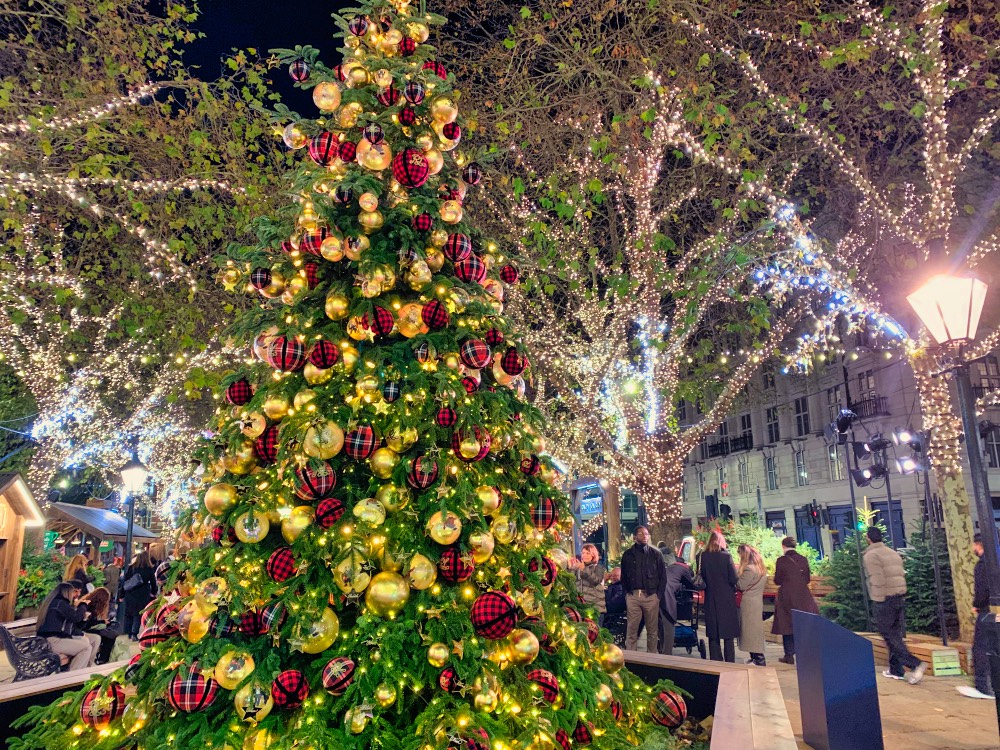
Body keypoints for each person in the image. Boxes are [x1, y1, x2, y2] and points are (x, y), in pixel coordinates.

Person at [861, 526, 925, 683]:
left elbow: (877, 580)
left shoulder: (871, 555)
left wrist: (878, 599)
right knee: (895, 634)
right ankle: (896, 669)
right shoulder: (892, 552)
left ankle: (915, 663)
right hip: (898, 597)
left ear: (868, 538)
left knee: (888, 635)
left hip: (884, 599)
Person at [772, 536, 819, 665]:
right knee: (803, 623)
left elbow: (777, 580)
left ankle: (789, 655)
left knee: (786, 624)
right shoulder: (803, 559)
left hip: (786, 596)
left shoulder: (781, 560)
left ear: (783, 546)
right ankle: (804, 654)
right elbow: (807, 579)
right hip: (803, 595)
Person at [958, 534, 994, 699]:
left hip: (987, 610)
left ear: (978, 545)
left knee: (980, 647)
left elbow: (982, 589)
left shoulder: (982, 565)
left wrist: (976, 605)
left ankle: (983, 686)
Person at [621, 526, 666, 652]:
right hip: (633, 595)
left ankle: (651, 659)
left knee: (652, 631)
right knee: (632, 630)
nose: (645, 536)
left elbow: (663, 577)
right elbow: (623, 577)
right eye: (641, 534)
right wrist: (627, 595)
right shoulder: (628, 555)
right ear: (635, 537)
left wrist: (658, 596)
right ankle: (632, 659)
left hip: (651, 596)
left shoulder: (655, 554)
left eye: (647, 534)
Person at [35, 582, 98, 670]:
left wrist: (83, 618)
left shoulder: (54, 602)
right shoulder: (60, 603)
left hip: (49, 639)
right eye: (73, 592)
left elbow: (75, 622)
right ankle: (71, 677)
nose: (74, 595)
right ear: (67, 592)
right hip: (52, 641)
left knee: (89, 641)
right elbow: (76, 617)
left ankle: (81, 672)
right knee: (86, 648)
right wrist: (83, 605)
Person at [700, 529, 739, 662]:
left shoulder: (703, 556)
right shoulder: (726, 556)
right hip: (726, 599)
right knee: (728, 634)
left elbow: (702, 576)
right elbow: (733, 578)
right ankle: (730, 661)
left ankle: (716, 661)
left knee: (713, 634)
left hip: (711, 597)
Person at [658, 549, 694, 654]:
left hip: (654, 595)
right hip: (667, 596)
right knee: (669, 624)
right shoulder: (682, 568)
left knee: (659, 624)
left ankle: (660, 650)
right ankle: (667, 654)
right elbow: (690, 584)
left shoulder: (665, 568)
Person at [737, 544, 768, 666]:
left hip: (748, 604)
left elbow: (741, 585)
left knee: (750, 632)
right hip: (756, 603)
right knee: (754, 631)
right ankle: (755, 658)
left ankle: (758, 659)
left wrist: (736, 576)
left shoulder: (749, 569)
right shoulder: (760, 568)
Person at [121, 549, 157, 640]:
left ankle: (127, 632)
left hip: (130, 594)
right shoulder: (149, 569)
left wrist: (121, 595)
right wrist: (153, 593)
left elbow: (125, 582)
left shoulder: (131, 567)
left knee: (128, 613)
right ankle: (134, 634)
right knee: (138, 614)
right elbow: (153, 583)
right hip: (143, 595)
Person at [79, 586, 121, 664]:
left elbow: (91, 622)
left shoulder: (90, 604)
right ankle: (102, 659)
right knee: (110, 636)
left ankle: (102, 658)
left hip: (87, 628)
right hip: (84, 630)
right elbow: (87, 624)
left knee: (110, 634)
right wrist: (101, 622)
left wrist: (102, 622)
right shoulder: (88, 607)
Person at [570, 544, 607, 626]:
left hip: (595, 608)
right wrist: (571, 568)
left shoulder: (598, 568)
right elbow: (571, 582)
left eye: (588, 553)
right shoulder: (577, 568)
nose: (584, 555)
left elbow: (596, 580)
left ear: (593, 555)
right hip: (581, 606)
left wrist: (584, 569)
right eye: (583, 553)